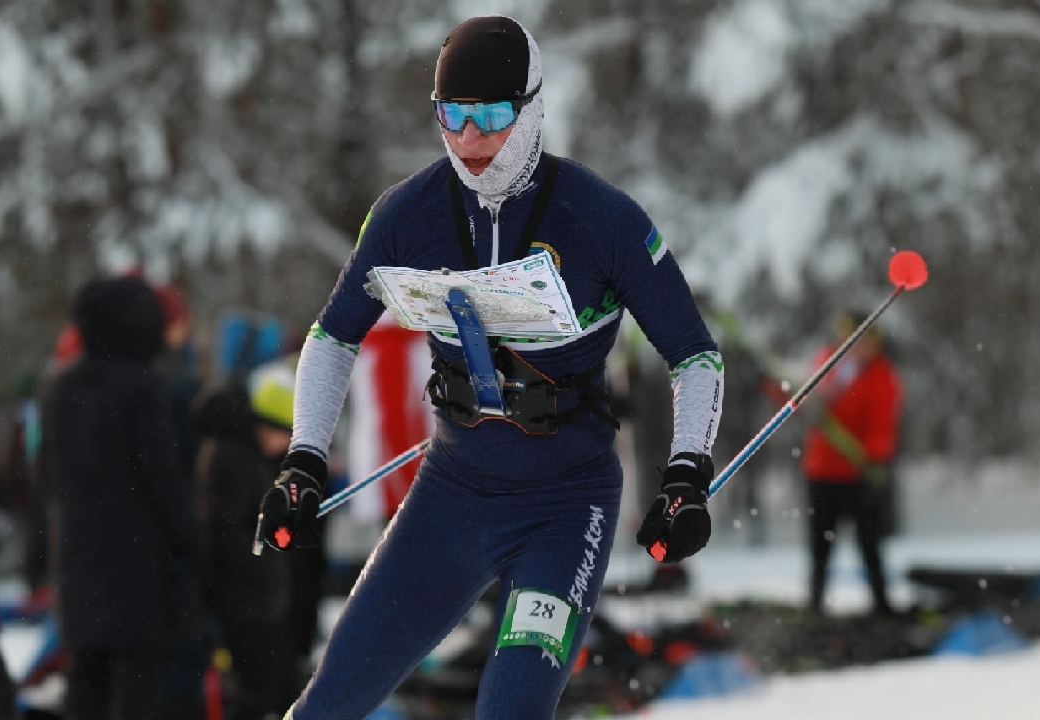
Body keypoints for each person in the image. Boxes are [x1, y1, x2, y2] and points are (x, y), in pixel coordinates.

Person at [256, 16, 725, 720]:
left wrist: (687, 473)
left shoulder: (603, 219)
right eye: (453, 116)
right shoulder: (407, 213)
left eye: (493, 117)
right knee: (327, 705)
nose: (470, 141)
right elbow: (332, 337)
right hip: (452, 495)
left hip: (565, 506)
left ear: (532, 109)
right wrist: (303, 461)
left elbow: (694, 355)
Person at [39, 276, 202, 720]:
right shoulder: (143, 385)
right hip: (138, 563)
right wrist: (190, 539)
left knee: (86, 683)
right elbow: (162, 476)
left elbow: (47, 476)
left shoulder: (59, 387)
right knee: (138, 691)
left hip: (77, 559)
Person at [194, 361, 300, 719]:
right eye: (286, 433)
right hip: (243, 601)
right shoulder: (234, 457)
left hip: (254, 599)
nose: (286, 444)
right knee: (255, 692)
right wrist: (266, 562)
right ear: (266, 425)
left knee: (269, 689)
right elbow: (229, 531)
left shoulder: (247, 455)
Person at [801, 310, 903, 616]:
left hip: (861, 474)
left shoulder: (882, 375)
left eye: (865, 340)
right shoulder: (827, 363)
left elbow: (883, 425)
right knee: (820, 545)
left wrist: (872, 457)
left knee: (869, 544)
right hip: (822, 472)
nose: (859, 347)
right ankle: (816, 604)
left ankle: (881, 604)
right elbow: (805, 401)